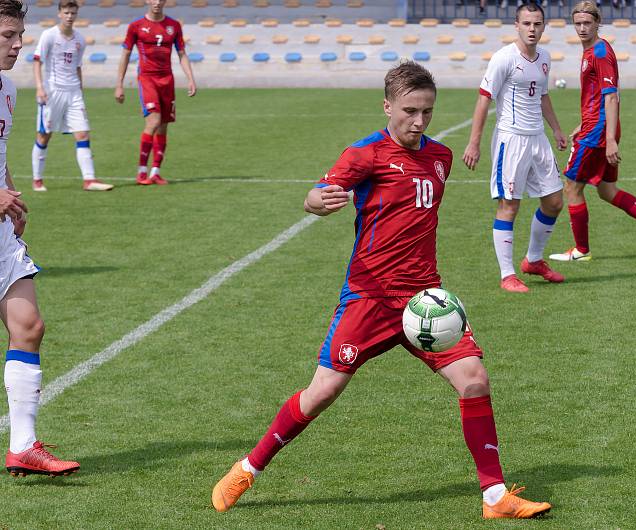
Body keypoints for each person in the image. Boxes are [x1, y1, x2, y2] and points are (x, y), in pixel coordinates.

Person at [211, 62, 552, 520]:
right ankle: (248, 468)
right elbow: (318, 192)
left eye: (427, 112)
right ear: (387, 106)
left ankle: (495, 497)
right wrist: (318, 202)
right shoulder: (364, 155)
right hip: (369, 297)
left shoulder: (441, 157)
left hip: (424, 302)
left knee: (474, 380)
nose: (418, 121)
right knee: (322, 392)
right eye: (409, 110)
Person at [0, 0, 80, 478]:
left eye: (20, 33)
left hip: (1, 232)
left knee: (28, 326)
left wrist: (9, 196)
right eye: (8, 33)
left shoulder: (7, 88)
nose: (18, 43)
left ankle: (23, 446)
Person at [551, 1, 636, 262]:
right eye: (578, 23)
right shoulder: (591, 51)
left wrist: (607, 139)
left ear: (598, 23)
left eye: (587, 23)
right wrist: (583, 123)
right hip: (596, 127)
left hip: (599, 132)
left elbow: (611, 96)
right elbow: (597, 97)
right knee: (607, 191)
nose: (582, 28)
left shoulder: (599, 52)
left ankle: (581, 251)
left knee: (572, 188)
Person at [462, 3, 567, 293]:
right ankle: (507, 274)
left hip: (538, 138)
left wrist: (556, 129)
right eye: (527, 24)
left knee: (555, 201)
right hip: (512, 139)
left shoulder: (544, 57)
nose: (532, 29)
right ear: (517, 25)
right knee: (510, 204)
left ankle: (533, 261)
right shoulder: (503, 58)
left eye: (537, 24)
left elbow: (543, 95)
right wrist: (474, 142)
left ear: (544, 26)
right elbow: (484, 99)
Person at [31, 0, 113, 192]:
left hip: (74, 92)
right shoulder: (49, 35)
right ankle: (37, 180)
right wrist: (39, 87)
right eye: (66, 12)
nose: (69, 16)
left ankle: (89, 180)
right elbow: (37, 62)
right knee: (44, 136)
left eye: (73, 13)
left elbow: (77, 66)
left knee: (83, 133)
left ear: (77, 14)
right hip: (53, 92)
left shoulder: (80, 40)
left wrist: (81, 90)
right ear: (60, 13)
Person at [114, 0, 196, 185]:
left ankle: (155, 172)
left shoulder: (173, 26)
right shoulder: (136, 26)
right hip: (147, 79)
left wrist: (190, 78)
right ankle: (141, 172)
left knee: (163, 125)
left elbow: (182, 53)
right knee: (154, 121)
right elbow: (125, 54)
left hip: (167, 80)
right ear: (147, 1)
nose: (157, 2)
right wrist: (119, 84)